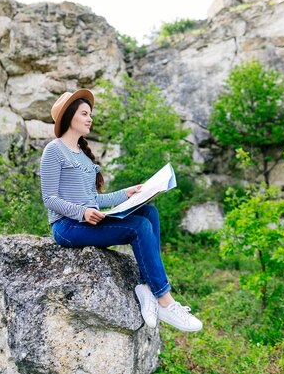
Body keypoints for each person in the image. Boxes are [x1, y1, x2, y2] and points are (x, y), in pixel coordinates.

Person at [39, 88, 202, 332]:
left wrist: (127, 193)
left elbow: (92, 198)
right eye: (84, 113)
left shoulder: (83, 157)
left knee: (149, 213)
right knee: (139, 227)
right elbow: (49, 198)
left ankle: (147, 288)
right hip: (67, 227)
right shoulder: (54, 150)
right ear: (69, 116)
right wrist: (82, 213)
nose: (89, 118)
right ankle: (165, 302)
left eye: (90, 114)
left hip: (86, 222)